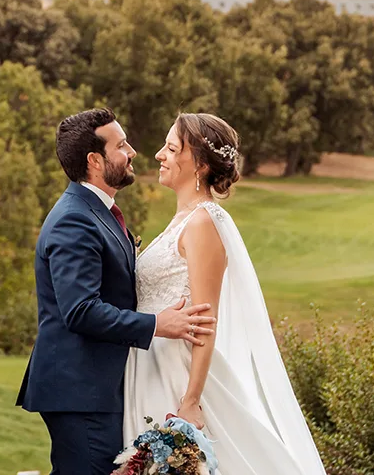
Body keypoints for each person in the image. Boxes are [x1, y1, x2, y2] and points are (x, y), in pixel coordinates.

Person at [122, 112, 327, 475]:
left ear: (199, 164)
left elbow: (205, 321)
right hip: (150, 364)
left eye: (171, 148)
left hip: (177, 374)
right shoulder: (183, 219)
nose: (158, 155)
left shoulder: (203, 223)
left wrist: (191, 400)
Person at [16, 108, 216, 475]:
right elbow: (80, 310)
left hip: (101, 387)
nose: (133, 152)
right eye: (121, 145)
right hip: (81, 391)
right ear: (95, 160)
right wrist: (157, 324)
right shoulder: (74, 219)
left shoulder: (98, 211)